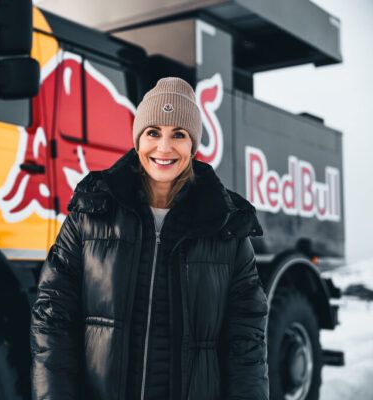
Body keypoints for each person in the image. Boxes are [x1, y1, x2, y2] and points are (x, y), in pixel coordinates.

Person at [30, 77, 269, 400]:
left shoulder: (226, 226)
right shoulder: (92, 210)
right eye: (153, 132)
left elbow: (247, 340)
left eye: (179, 134)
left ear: (192, 145)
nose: (164, 147)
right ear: (138, 139)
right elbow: (52, 317)